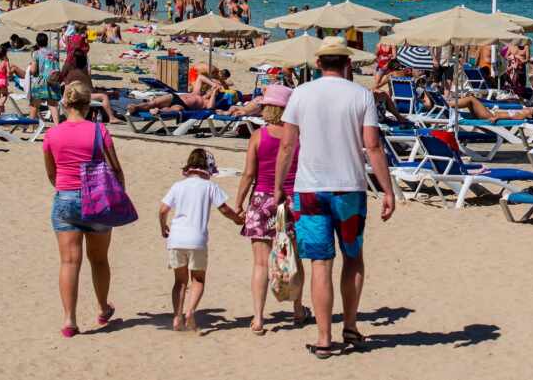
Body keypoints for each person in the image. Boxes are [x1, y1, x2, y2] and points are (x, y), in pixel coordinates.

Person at [273, 37, 395, 359]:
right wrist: (387, 189)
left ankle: (324, 338)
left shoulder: (300, 94)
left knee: (320, 264)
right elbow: (373, 146)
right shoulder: (362, 95)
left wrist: (277, 188)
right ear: (348, 63)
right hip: (349, 188)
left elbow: (287, 146)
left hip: (309, 188)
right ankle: (351, 326)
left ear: (317, 64)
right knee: (352, 257)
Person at [42, 82, 123, 338]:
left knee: (69, 261)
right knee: (98, 259)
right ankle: (102, 308)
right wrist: (119, 195)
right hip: (97, 197)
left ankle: (69, 320)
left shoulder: (52, 135)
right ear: (89, 105)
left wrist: (67, 187)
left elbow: (52, 173)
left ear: (65, 104)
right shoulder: (99, 130)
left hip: (65, 197)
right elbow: (116, 169)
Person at [233, 84, 305, 333]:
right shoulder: (297, 136)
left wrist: (239, 202)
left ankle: (259, 317)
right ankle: (297, 308)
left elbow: (248, 174)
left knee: (260, 263)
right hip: (291, 200)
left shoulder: (258, 136)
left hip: (262, 199)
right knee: (293, 257)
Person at [159, 148, 244, 334]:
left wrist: (163, 226)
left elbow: (163, 209)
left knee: (179, 281)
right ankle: (190, 312)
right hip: (197, 238)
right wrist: (238, 220)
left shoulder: (178, 186)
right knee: (198, 279)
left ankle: (177, 317)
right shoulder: (210, 187)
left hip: (176, 238)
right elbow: (224, 209)